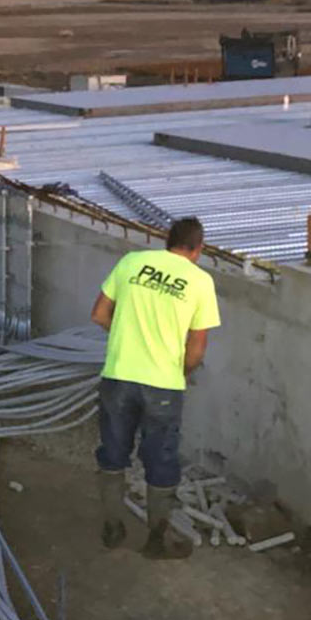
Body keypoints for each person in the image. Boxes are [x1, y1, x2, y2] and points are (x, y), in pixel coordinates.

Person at [89, 217, 221, 559]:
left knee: (113, 452)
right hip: (163, 384)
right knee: (160, 459)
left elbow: (100, 314)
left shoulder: (132, 262)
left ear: (167, 241)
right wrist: (181, 371)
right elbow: (197, 347)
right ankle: (156, 540)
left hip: (118, 376)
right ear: (198, 249)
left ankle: (112, 528)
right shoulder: (199, 281)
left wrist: (126, 341)